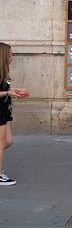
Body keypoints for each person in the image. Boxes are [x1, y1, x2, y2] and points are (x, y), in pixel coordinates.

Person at [0, 42, 29, 186]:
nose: (12, 57)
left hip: (4, 110)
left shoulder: (4, 71)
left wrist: (15, 90)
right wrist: (9, 92)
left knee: (8, 141)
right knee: (0, 143)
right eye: (10, 54)